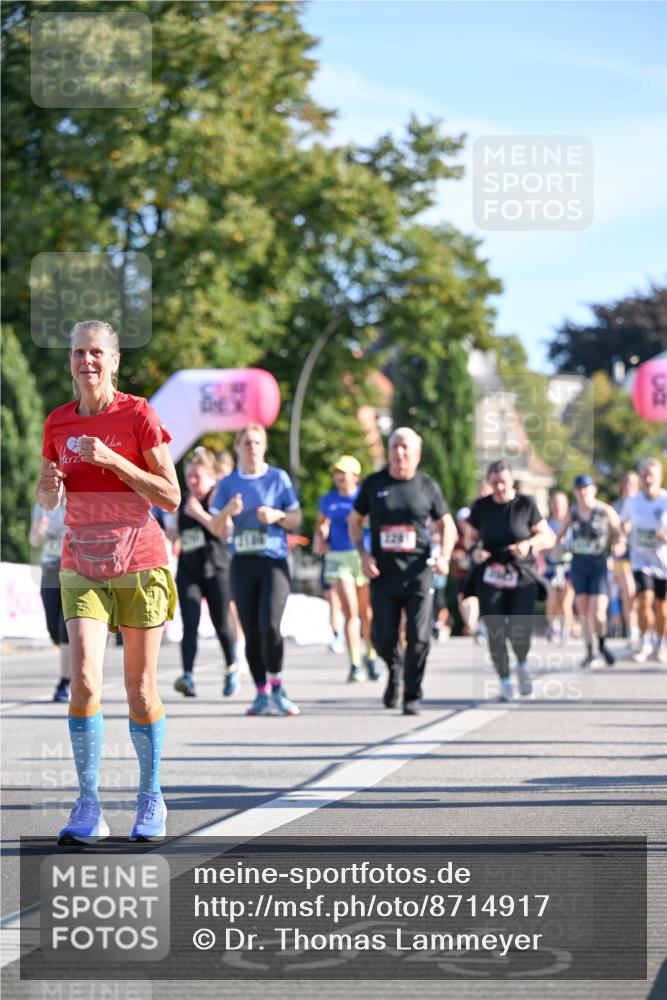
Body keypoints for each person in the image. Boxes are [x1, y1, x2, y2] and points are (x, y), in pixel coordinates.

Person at [37, 320, 180, 844]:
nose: (87, 361)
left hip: (140, 560)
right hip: (81, 561)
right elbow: (49, 498)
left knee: (140, 691)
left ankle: (151, 794)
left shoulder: (138, 413)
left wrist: (115, 460)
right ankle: (89, 803)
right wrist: (47, 486)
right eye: (79, 353)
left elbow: (171, 495)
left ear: (115, 361)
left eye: (97, 352)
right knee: (85, 680)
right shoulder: (57, 423)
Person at [347, 428, 456, 716]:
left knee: (419, 637)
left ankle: (411, 694)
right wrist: (363, 552)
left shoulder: (427, 486)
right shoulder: (374, 484)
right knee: (382, 638)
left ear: (417, 454)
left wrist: (444, 554)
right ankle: (395, 668)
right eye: (395, 446)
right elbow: (355, 521)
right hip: (383, 573)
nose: (400, 453)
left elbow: (448, 525)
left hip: (419, 572)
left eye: (406, 447)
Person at [209, 424, 302, 715]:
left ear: (264, 446)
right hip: (242, 563)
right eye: (247, 442)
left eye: (257, 442)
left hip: (273, 560)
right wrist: (228, 512)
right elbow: (214, 526)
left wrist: (277, 515)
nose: (252, 447)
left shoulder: (278, 478)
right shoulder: (228, 483)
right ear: (237, 447)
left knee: (270, 625)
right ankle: (261, 693)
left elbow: (296, 518)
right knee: (251, 631)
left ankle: (278, 687)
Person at [466, 461, 555, 701]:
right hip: (491, 574)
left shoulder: (526, 504)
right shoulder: (481, 507)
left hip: (521, 574)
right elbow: (470, 537)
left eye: (503, 481)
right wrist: (474, 551)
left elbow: (548, 536)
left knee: (519, 627)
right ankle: (505, 681)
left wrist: (528, 544)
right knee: (495, 629)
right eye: (494, 483)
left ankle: (522, 663)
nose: (499, 487)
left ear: (511, 480)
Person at [168, 448, 240, 698]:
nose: (193, 481)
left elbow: (225, 530)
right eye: (189, 477)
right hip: (189, 569)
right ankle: (187, 675)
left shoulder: (217, 498)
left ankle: (232, 666)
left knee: (221, 622)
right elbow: (175, 534)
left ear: (209, 475)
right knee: (189, 623)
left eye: (197, 476)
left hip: (217, 568)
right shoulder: (184, 500)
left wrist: (200, 514)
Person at [313, 456, 379, 682]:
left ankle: (370, 654)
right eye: (337, 472)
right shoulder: (328, 499)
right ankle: (354, 663)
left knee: (367, 614)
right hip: (338, 557)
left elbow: (374, 524)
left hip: (362, 556)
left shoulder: (364, 498)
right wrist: (320, 539)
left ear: (356, 476)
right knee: (350, 612)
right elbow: (321, 523)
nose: (340, 476)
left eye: (345, 472)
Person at [558, 475, 623, 668]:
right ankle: (589, 651)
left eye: (586, 488)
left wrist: (618, 545)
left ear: (594, 489)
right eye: (579, 488)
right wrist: (558, 547)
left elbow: (619, 534)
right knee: (584, 610)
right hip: (578, 565)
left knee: (599, 613)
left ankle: (602, 644)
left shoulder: (604, 511)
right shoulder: (572, 513)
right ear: (575, 491)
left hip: (599, 565)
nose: (583, 492)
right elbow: (559, 536)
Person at [620, 458, 667, 664]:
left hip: (663, 562)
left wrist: (663, 536)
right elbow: (622, 527)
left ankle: (662, 643)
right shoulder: (632, 502)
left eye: (652, 475)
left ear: (660, 477)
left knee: (663, 609)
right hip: (641, 561)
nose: (648, 479)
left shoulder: (666, 500)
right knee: (644, 599)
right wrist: (623, 535)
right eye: (645, 475)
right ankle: (645, 641)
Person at [29, 496, 71, 702]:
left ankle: (65, 682)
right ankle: (74, 664)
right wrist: (39, 531)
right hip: (50, 567)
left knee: (66, 627)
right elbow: (34, 540)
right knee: (53, 629)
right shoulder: (41, 503)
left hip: (75, 567)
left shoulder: (78, 497)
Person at [613, 471, 641, 649]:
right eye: (626, 483)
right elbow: (611, 532)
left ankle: (647, 631)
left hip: (644, 557)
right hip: (623, 557)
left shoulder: (642, 504)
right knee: (629, 592)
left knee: (643, 596)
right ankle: (632, 632)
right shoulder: (616, 506)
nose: (628, 486)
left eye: (632, 483)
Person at [544, 491, 574, 644]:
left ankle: (565, 631)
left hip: (568, 566)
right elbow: (541, 547)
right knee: (552, 599)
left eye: (561, 503)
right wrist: (550, 548)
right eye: (555, 503)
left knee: (566, 601)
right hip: (551, 567)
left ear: (566, 505)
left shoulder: (573, 524)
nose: (557, 506)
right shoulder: (546, 524)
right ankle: (553, 626)